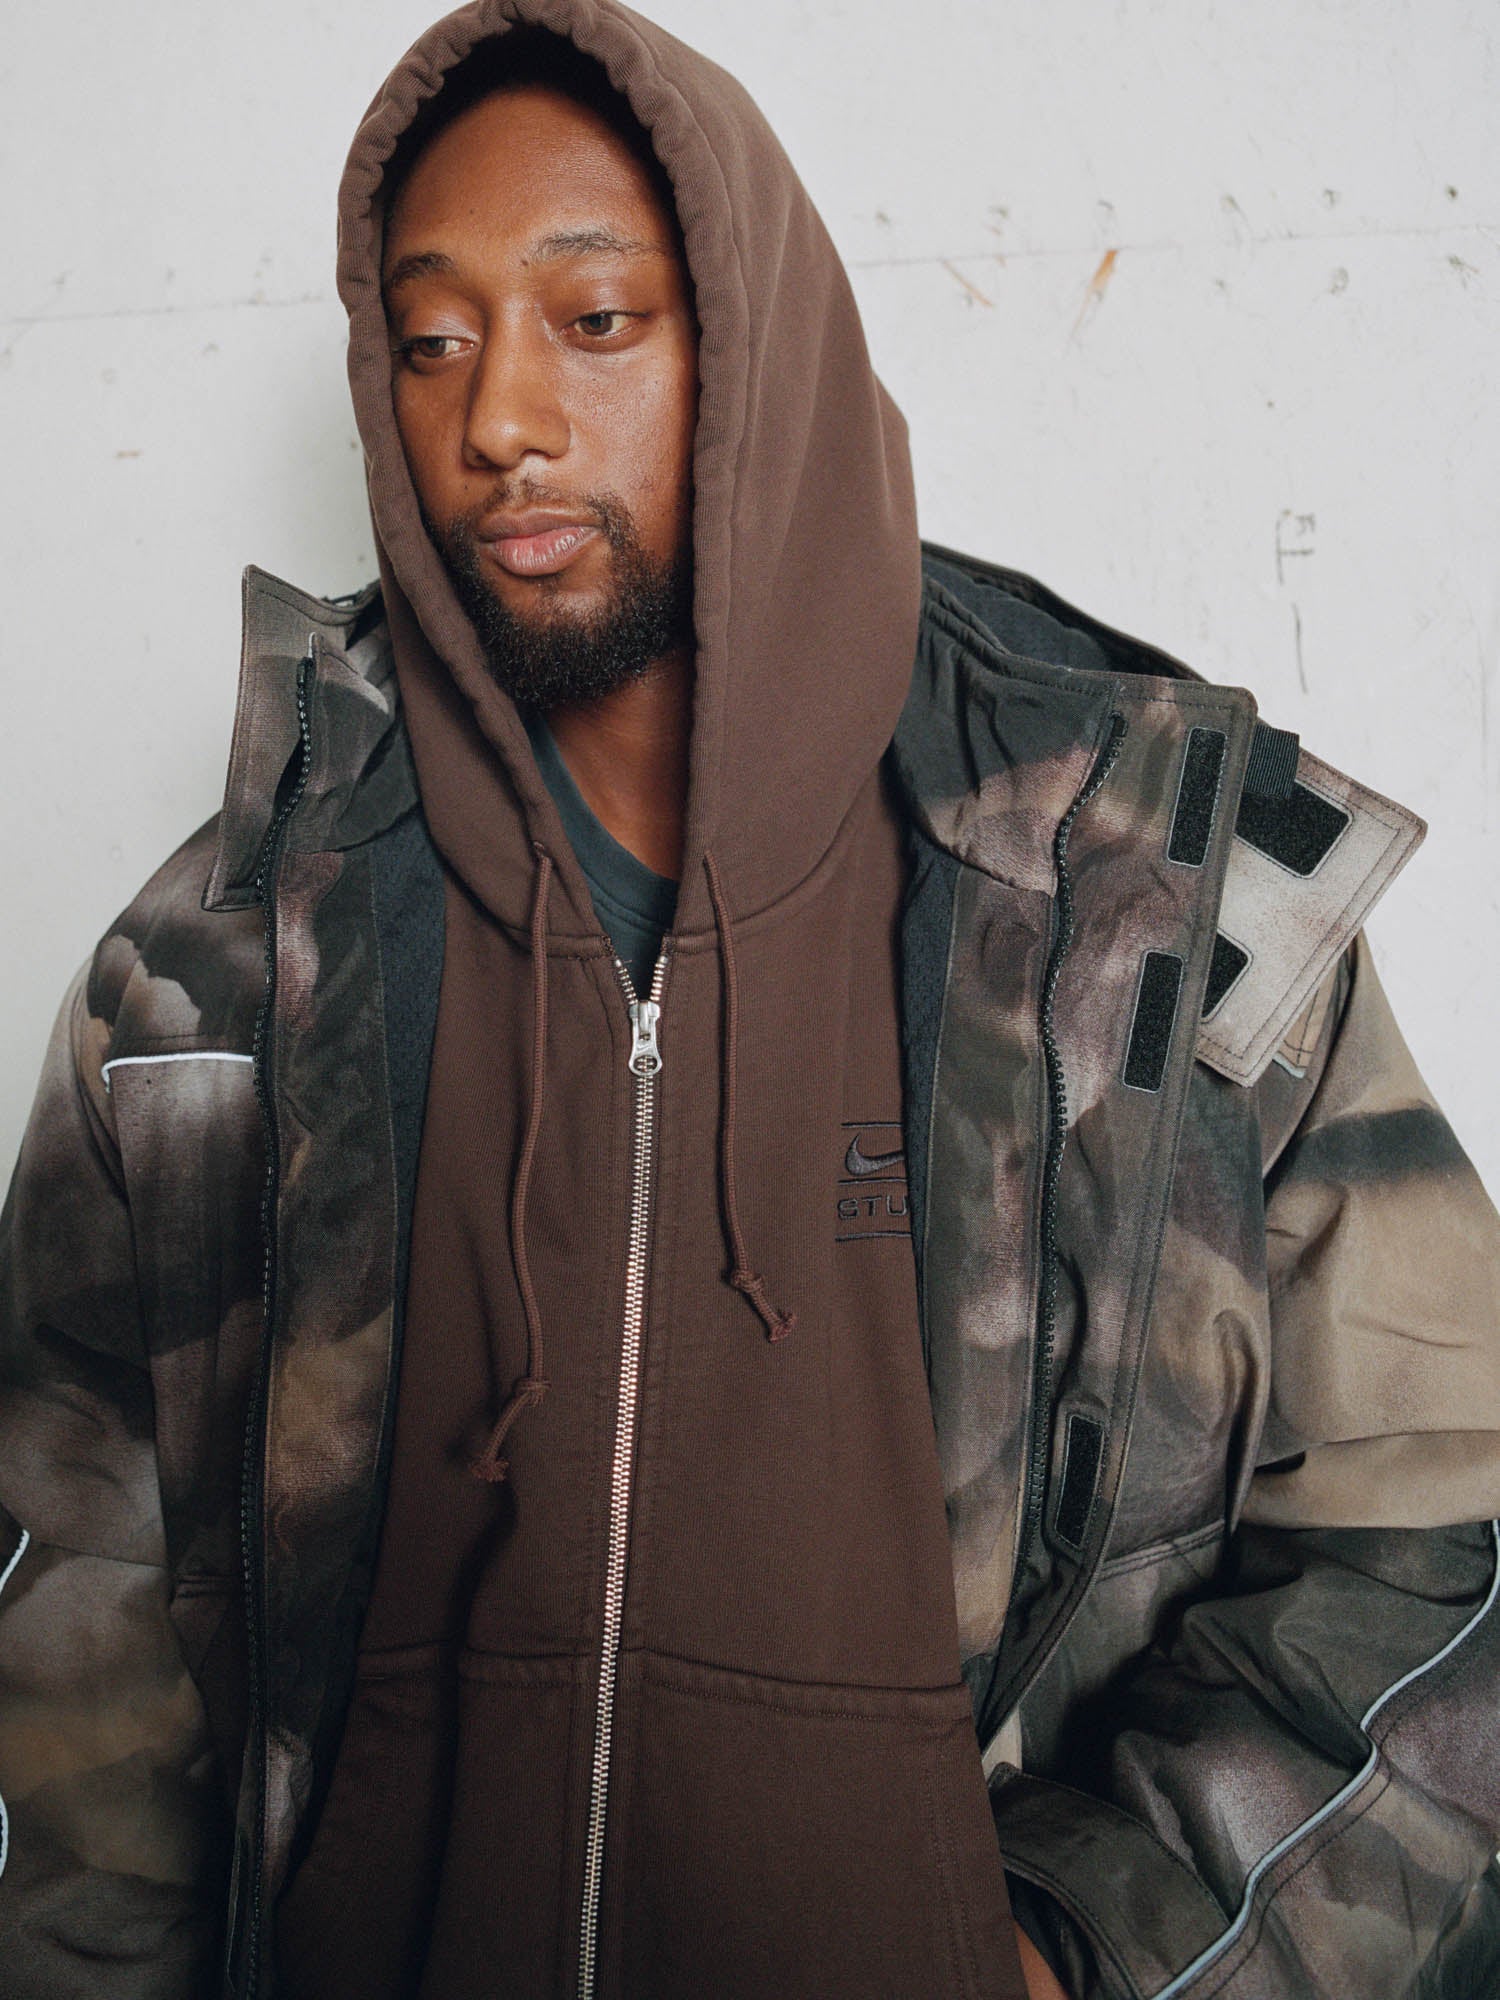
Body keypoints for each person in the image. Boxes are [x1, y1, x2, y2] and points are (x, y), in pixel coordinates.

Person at [2, 2, 1498, 1995]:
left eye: (592, 319)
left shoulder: (1145, 890)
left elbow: (1443, 1540)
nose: (499, 417)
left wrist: (1091, 1946)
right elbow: (79, 1655)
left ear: (760, 348)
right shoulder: (216, 973)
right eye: (430, 339)